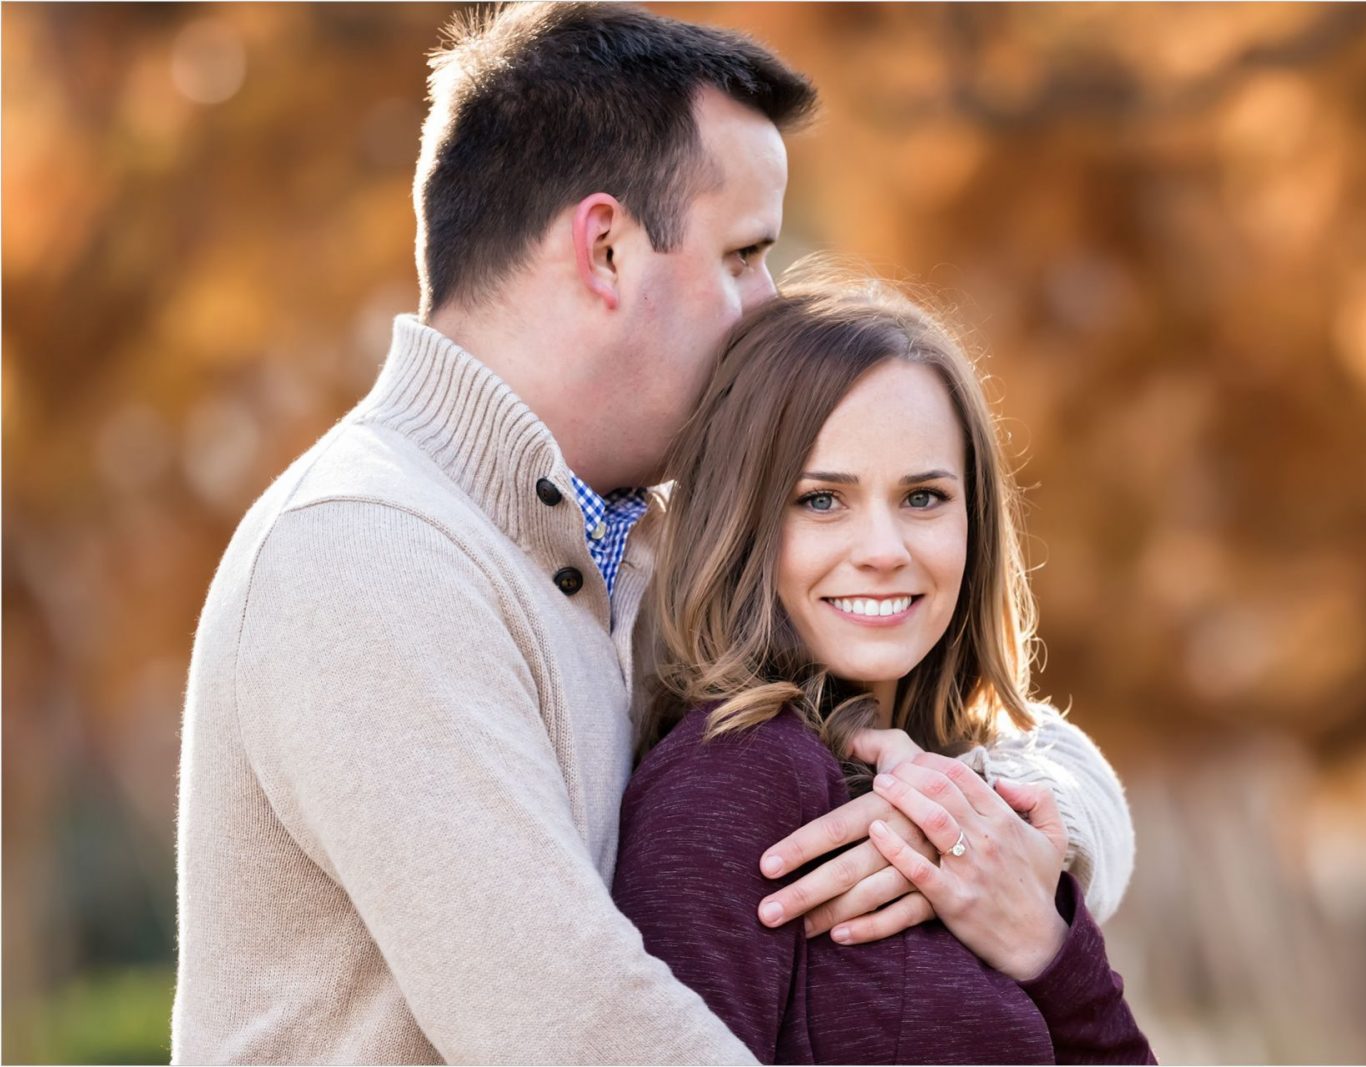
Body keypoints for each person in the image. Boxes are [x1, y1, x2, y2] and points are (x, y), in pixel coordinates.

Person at [172, 4, 1136, 1063]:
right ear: (606, 248)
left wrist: (978, 826)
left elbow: (1026, 731)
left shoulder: (641, 545)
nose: (769, 307)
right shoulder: (368, 557)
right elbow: (576, 1024)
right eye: (743, 254)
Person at [614, 270, 1154, 1064]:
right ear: (743, 518)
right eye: (822, 500)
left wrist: (1045, 942)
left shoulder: (969, 799)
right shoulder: (736, 778)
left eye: (924, 497)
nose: (883, 550)